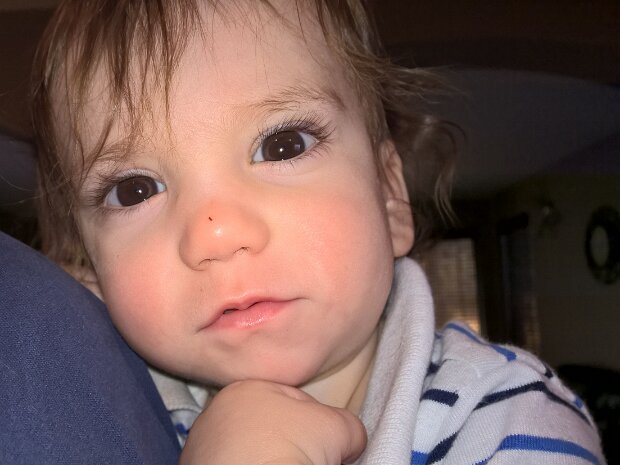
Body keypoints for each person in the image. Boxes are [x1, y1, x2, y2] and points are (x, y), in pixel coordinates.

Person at [22, 0, 604, 463]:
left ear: (390, 196)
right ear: (88, 274)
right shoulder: (103, 418)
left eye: (282, 145)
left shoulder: (507, 415)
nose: (216, 234)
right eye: (135, 189)